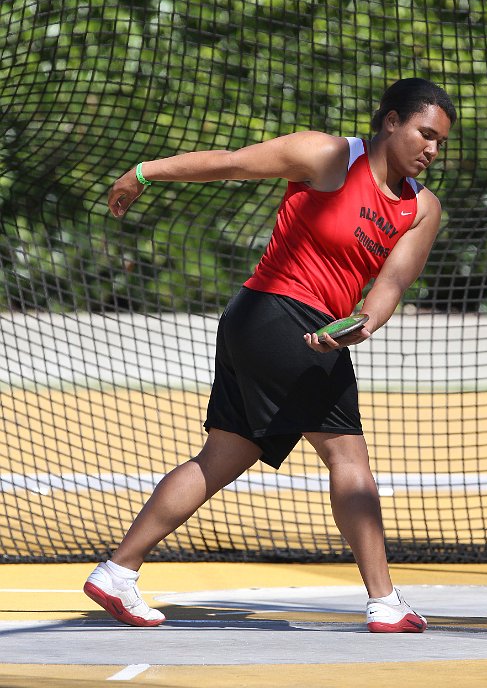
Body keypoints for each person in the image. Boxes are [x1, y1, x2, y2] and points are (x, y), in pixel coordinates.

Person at [84, 77, 457, 633]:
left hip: (290, 329)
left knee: (220, 458)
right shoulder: (329, 155)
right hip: (277, 314)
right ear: (390, 122)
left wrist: (359, 326)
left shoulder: (422, 209)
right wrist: (145, 172)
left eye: (440, 143)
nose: (431, 150)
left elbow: (389, 288)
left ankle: (118, 570)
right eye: (424, 133)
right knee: (349, 461)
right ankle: (385, 602)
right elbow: (230, 163)